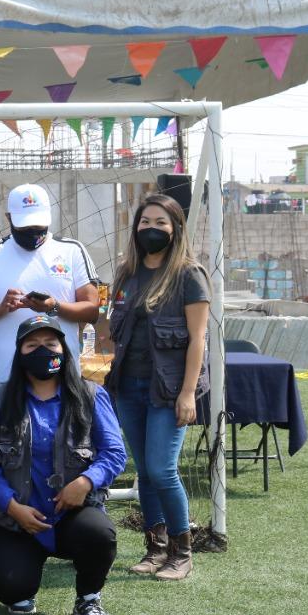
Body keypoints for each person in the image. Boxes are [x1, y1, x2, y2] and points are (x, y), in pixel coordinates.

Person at [0, 314, 126, 615]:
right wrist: (12, 507)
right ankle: (23, 579)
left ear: (64, 350)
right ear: (19, 353)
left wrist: (86, 481)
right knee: (11, 588)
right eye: (32, 345)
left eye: (50, 344)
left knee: (99, 534)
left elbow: (114, 453)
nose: (43, 350)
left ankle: (88, 598)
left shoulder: (91, 395)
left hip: (72, 514)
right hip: (17, 518)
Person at [105, 193, 210, 581]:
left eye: (160, 223)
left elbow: (198, 340)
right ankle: (156, 549)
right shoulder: (126, 273)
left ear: (175, 228)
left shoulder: (189, 275)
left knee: (162, 469)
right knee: (145, 473)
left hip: (167, 390)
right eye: (145, 222)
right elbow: (113, 330)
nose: (151, 229)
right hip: (128, 387)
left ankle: (183, 553)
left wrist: (187, 393)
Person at [0, 183, 100, 388]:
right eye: (25, 227)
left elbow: (92, 311)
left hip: (61, 381)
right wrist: (1, 308)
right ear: (8, 218)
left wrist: (54, 306)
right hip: (6, 381)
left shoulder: (72, 251)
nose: (33, 232)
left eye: (39, 226)